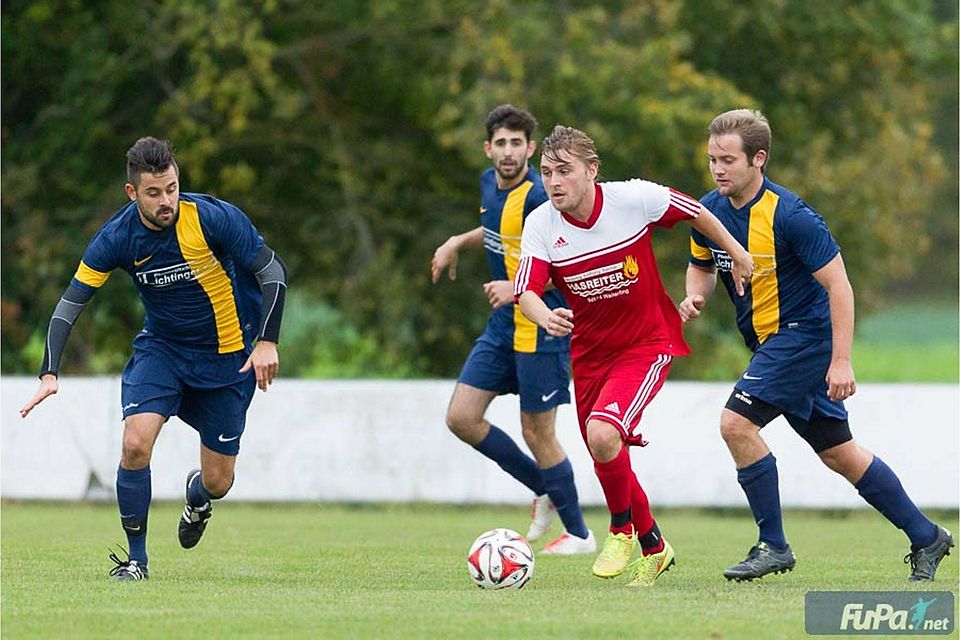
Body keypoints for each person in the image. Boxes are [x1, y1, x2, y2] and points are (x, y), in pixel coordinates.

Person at [679, 108, 954, 582]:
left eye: (727, 160)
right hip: (771, 344)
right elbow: (701, 264)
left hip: (803, 338)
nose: (717, 169)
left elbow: (840, 286)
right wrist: (696, 296)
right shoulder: (708, 211)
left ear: (758, 159)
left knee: (736, 423)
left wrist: (841, 361)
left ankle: (773, 545)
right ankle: (927, 536)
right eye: (712, 160)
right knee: (838, 452)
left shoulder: (791, 215)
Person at [20, 137, 288, 581]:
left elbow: (273, 272)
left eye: (172, 188)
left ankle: (198, 496)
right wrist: (49, 371)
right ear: (132, 193)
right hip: (162, 352)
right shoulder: (117, 237)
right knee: (135, 443)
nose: (166, 201)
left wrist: (267, 342)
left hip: (228, 359)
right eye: (154, 193)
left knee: (219, 481)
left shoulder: (214, 218)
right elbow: (70, 304)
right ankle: (136, 560)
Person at [515, 124, 754, 587]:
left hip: (646, 344)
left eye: (565, 171)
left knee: (604, 434)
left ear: (592, 170)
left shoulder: (634, 198)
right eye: (547, 172)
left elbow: (696, 211)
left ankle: (620, 530)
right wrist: (545, 317)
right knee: (608, 450)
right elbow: (526, 292)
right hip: (589, 356)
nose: (554, 182)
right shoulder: (542, 223)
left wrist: (736, 251)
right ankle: (655, 547)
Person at [431, 105, 594, 554]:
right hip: (503, 327)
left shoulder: (541, 196)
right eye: (500, 143)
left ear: (530, 148)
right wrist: (457, 242)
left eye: (516, 143)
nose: (508, 151)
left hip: (543, 326)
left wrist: (517, 286)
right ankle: (545, 487)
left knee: (538, 433)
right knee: (461, 417)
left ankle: (580, 535)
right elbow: (496, 227)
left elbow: (573, 258)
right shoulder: (490, 184)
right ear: (488, 148)